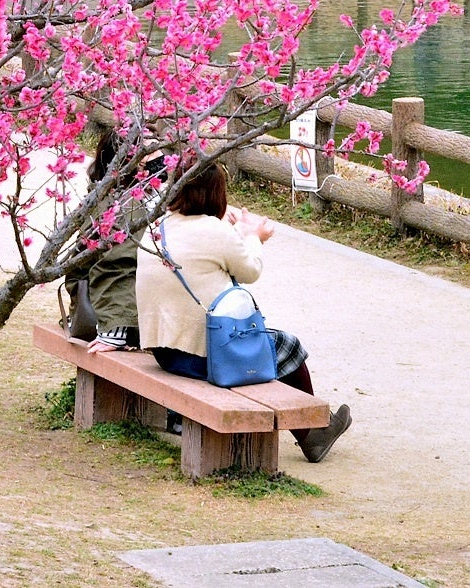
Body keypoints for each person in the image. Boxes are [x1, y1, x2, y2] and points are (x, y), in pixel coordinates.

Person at [135, 163, 354, 462]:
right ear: (217, 194)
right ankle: (315, 432)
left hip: (164, 351)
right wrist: (254, 236)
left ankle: (312, 430)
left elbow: (207, 254)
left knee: (265, 341)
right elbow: (250, 270)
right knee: (286, 344)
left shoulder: (158, 227)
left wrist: (236, 232)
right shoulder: (213, 230)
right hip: (202, 358)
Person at [69, 132, 145, 350]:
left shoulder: (106, 195)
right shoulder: (125, 205)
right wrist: (114, 330)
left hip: (100, 308)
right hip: (108, 318)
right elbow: (117, 267)